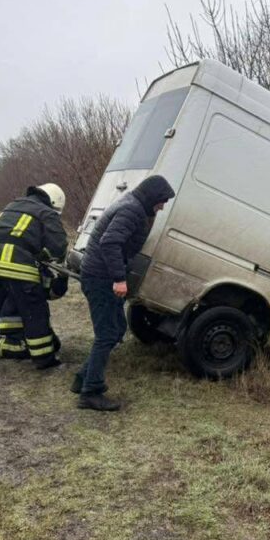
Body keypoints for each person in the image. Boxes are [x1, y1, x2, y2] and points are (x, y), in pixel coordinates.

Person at [73, 175, 175, 411]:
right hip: (101, 278)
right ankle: (91, 392)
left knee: (117, 328)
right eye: (161, 202)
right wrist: (119, 279)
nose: (161, 207)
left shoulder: (133, 205)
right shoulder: (131, 210)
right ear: (152, 197)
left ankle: (83, 379)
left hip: (100, 275)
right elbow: (110, 243)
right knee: (107, 333)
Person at [0, 183, 68, 371]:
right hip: (18, 267)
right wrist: (50, 259)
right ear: (53, 203)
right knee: (34, 312)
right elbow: (58, 246)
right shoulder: (46, 212)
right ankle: (44, 359)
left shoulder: (12, 206)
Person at [0, 266, 68, 359]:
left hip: (35, 323)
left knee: (53, 345)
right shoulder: (20, 267)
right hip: (15, 325)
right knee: (29, 350)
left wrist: (62, 278)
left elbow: (51, 292)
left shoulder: (38, 266)